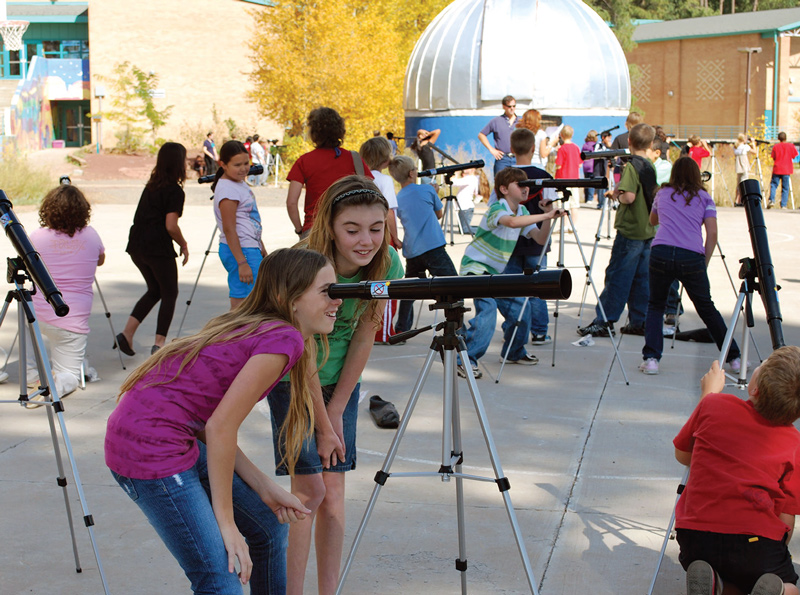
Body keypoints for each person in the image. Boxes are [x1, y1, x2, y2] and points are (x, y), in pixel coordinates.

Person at [106, 248, 338, 595]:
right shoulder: (283, 339)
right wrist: (226, 525)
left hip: (172, 436)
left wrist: (264, 486)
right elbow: (220, 428)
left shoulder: (264, 328)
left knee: (268, 528)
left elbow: (208, 423)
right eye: (326, 292)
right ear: (287, 299)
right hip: (150, 449)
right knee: (221, 576)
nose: (337, 301)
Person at [267, 176, 404, 595]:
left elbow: (365, 333)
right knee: (307, 490)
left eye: (376, 228)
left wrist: (340, 409)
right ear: (330, 224)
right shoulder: (305, 261)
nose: (366, 241)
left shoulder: (389, 265)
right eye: (353, 229)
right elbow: (300, 345)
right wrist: (324, 423)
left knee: (334, 493)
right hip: (293, 378)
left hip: (341, 385)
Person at [673, 346, 800, 595]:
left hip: (697, 539)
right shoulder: (794, 442)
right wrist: (778, 548)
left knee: (726, 568)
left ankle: (715, 583)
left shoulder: (714, 405)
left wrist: (707, 395)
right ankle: (779, 591)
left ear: (754, 389)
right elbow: (787, 515)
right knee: (783, 583)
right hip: (755, 544)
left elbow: (684, 454)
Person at [639, 157, 741, 376]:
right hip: (691, 255)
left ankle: (651, 359)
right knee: (706, 307)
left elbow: (653, 221)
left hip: (661, 251)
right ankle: (733, 358)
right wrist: (704, 262)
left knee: (656, 305)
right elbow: (712, 233)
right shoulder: (705, 198)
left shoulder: (662, 194)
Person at [458, 167, 562, 379]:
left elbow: (540, 239)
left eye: (527, 185)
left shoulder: (523, 212)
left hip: (496, 273)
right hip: (476, 268)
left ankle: (515, 351)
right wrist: (545, 214)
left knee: (520, 310)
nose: (526, 189)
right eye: (520, 185)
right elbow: (511, 222)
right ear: (504, 189)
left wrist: (549, 216)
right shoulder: (497, 209)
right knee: (487, 311)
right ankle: (466, 359)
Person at [24, 184, 104, 403]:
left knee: (27, 322)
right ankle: (55, 386)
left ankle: (31, 375)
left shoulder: (36, 237)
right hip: (72, 319)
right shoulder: (91, 235)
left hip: (39, 312)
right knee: (69, 372)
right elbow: (101, 259)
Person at [578, 123, 658, 338]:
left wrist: (617, 195)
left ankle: (604, 320)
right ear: (650, 144)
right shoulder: (650, 165)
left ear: (629, 142)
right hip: (648, 229)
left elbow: (629, 196)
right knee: (642, 278)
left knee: (617, 276)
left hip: (630, 230)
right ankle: (639, 320)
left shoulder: (631, 167)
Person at [119, 142, 189, 357]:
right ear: (179, 163)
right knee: (170, 293)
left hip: (137, 245)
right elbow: (170, 225)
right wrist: (183, 244)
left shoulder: (151, 185)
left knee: (155, 290)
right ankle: (159, 344)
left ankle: (127, 333)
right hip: (157, 246)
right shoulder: (174, 191)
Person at [502, 128, 560, 345]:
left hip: (510, 240)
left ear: (511, 149)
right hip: (537, 239)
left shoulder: (505, 176)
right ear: (534, 148)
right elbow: (550, 206)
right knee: (538, 285)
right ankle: (539, 331)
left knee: (512, 287)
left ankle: (513, 328)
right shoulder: (544, 176)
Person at [389, 155, 457, 334]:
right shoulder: (427, 190)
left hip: (412, 250)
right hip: (433, 246)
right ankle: (457, 327)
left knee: (409, 291)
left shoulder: (398, 197)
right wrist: (434, 192)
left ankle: (402, 329)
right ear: (412, 173)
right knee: (454, 285)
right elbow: (439, 214)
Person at [286, 107, 373, 238]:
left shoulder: (304, 161)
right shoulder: (354, 159)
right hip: (349, 229)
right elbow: (371, 192)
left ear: (313, 132)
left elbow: (291, 202)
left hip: (315, 229)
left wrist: (300, 230)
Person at [212, 140, 266, 309]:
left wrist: (260, 246)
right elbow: (229, 228)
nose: (243, 168)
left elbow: (248, 221)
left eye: (246, 163)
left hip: (249, 248)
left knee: (253, 300)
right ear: (223, 165)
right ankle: (236, 335)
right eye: (237, 165)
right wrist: (242, 263)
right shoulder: (228, 190)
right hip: (241, 251)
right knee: (243, 305)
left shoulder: (237, 182)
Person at [359, 136, 402, 343]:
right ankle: (383, 331)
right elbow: (389, 213)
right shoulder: (384, 180)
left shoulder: (360, 177)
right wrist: (396, 237)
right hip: (382, 237)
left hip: (362, 238)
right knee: (386, 284)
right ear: (386, 159)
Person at [478, 95, 518, 174]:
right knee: (500, 184)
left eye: (514, 106)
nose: (512, 108)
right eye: (509, 106)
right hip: (502, 159)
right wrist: (491, 150)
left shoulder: (521, 121)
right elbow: (481, 135)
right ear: (504, 107)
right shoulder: (496, 121)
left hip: (517, 158)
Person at [554, 125, 582, 225]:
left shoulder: (562, 149)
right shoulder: (576, 148)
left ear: (561, 135)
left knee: (563, 204)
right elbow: (579, 164)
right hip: (574, 179)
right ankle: (573, 225)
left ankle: (564, 225)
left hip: (562, 179)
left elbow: (558, 165)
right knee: (574, 204)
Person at [611, 112, 643, 183]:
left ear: (627, 124)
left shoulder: (620, 138)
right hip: (641, 172)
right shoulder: (644, 138)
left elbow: (612, 158)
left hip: (624, 174)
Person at [768, 132, 798, 209]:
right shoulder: (790, 146)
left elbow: (773, 157)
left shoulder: (776, 146)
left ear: (778, 138)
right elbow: (794, 156)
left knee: (774, 185)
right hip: (786, 169)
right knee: (785, 187)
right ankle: (783, 204)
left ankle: (772, 199)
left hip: (777, 168)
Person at [452, 166, 480, 235]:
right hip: (464, 207)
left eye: (468, 167)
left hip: (466, 207)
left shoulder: (470, 178)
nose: (465, 168)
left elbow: (454, 183)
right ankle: (483, 230)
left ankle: (485, 231)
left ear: (473, 169)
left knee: (464, 229)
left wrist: (455, 174)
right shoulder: (472, 178)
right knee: (463, 228)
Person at [734, 134, 756, 207]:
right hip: (744, 167)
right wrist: (753, 143)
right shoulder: (745, 147)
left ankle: (736, 200)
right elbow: (754, 152)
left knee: (738, 184)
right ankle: (741, 200)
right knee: (744, 184)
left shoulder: (736, 147)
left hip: (738, 167)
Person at [581, 130, 599, 204]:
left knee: (586, 182)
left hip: (585, 165)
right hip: (592, 165)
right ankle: (590, 198)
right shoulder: (595, 145)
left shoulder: (585, 145)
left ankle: (586, 197)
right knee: (591, 182)